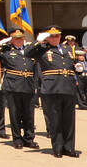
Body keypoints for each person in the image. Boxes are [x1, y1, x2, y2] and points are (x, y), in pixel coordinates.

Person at [27, 28, 79, 158]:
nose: (55, 38)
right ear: (48, 38)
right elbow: (27, 53)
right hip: (52, 88)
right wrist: (38, 41)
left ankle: (69, 147)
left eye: (57, 36)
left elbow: (71, 66)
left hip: (68, 87)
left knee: (69, 120)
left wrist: (77, 69)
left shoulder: (67, 49)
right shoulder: (42, 49)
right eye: (52, 36)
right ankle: (58, 148)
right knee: (55, 120)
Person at [0, 28, 38, 148]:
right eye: (16, 39)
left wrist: (36, 84)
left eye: (20, 38)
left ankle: (29, 138)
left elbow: (36, 69)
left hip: (28, 85)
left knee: (29, 114)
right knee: (15, 114)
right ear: (12, 40)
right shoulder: (6, 51)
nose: (19, 40)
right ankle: (17, 139)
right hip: (13, 86)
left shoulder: (30, 50)